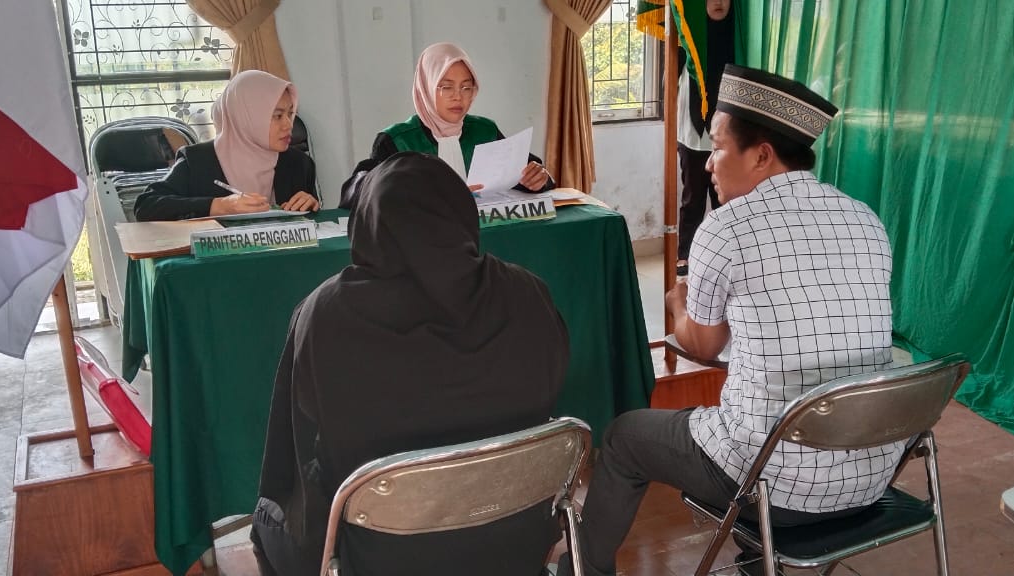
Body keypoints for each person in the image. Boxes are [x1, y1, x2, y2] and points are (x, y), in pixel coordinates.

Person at [565, 65, 900, 576]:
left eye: (718, 148)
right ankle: (755, 558)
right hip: (870, 477)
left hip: (775, 485)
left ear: (762, 155)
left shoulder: (727, 226)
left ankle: (578, 571)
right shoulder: (864, 217)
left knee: (626, 437)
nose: (707, 165)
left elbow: (700, 344)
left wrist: (677, 305)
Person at [250, 152, 570, 576]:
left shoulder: (325, 312)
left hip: (380, 555)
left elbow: (293, 444)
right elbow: (554, 380)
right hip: (515, 539)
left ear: (367, 222)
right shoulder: (528, 292)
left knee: (266, 516)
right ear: (460, 213)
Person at [339, 42, 554, 209]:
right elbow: (354, 193)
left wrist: (539, 179)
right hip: (421, 247)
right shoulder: (396, 139)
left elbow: (527, 173)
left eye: (466, 88)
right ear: (426, 87)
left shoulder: (485, 130)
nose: (457, 97)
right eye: (446, 87)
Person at [133, 70, 320, 221]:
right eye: (278, 116)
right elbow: (146, 206)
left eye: (290, 113)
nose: (289, 124)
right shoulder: (198, 161)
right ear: (246, 118)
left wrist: (310, 206)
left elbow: (311, 226)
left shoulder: (299, 163)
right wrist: (218, 206)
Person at [675, 0, 734, 276]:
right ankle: (685, 254)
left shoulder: (739, 38)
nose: (719, 2)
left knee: (726, 197)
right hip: (692, 134)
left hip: (729, 134)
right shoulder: (688, 38)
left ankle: (726, 254)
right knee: (693, 197)